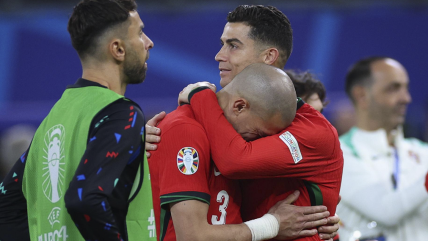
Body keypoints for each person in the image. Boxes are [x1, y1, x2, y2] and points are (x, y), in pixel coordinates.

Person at [146, 5, 341, 240]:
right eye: (222, 44)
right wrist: (140, 145)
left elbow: (235, 160)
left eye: (233, 46)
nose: (220, 55)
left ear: (268, 56)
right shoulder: (222, 121)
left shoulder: (312, 130)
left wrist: (200, 95)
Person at [0, 0, 155, 240]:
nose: (148, 42)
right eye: (140, 32)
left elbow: (6, 206)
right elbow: (83, 199)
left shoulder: (51, 122)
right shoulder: (122, 114)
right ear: (118, 49)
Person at [336, 56, 428, 241]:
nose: (406, 98)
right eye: (394, 88)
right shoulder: (339, 154)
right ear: (362, 95)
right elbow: (386, 210)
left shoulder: (422, 152)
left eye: (406, 88)